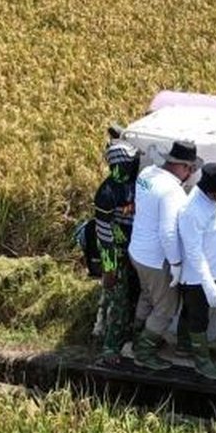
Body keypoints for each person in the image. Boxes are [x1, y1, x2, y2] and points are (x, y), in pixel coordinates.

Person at [127, 139, 199, 371]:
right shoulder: (171, 191)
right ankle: (144, 351)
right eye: (191, 169)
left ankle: (135, 335)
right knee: (166, 308)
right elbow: (168, 233)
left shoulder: (147, 174)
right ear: (184, 167)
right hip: (157, 260)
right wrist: (176, 263)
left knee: (147, 296)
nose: (191, 174)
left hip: (136, 251)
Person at [176, 162, 216, 380]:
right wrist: (208, 284)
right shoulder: (192, 211)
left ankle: (204, 348)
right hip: (198, 276)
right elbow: (194, 253)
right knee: (198, 317)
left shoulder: (214, 199)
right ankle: (201, 360)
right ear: (212, 191)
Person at [93, 142, 140, 367]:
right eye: (127, 163)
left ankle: (130, 335)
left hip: (137, 249)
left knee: (135, 295)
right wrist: (109, 268)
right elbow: (103, 234)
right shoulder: (107, 192)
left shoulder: (135, 183)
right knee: (118, 300)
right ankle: (110, 346)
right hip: (117, 253)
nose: (131, 166)